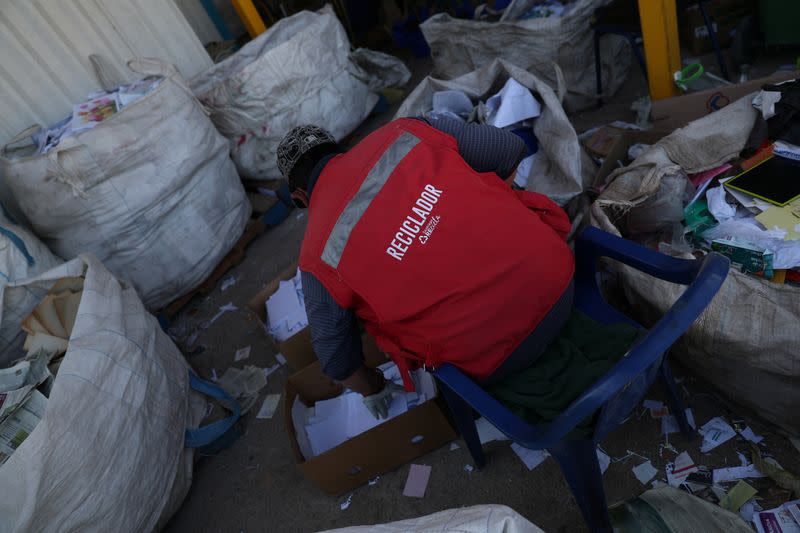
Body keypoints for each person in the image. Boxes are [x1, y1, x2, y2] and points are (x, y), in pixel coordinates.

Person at [276, 117, 574, 419]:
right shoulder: (404, 131)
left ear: (300, 197)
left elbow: (335, 357)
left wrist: (372, 389)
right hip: (559, 280)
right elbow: (508, 149)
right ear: (338, 149)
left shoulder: (315, 255)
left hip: (494, 359)